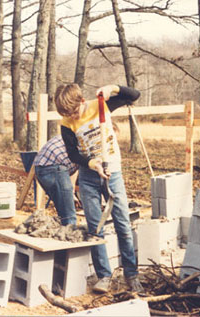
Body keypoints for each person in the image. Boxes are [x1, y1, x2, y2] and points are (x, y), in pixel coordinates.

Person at [55, 83, 144, 294]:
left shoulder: (101, 105)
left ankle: (131, 274)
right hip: (88, 176)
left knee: (123, 224)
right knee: (95, 229)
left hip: (113, 173)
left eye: (74, 112)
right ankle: (104, 275)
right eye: (68, 114)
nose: (73, 117)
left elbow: (135, 95)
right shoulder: (66, 124)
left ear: (82, 102)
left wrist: (112, 88)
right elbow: (73, 154)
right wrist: (92, 163)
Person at [33, 135, 78, 226]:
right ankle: (69, 232)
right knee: (69, 216)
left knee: (63, 209)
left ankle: (65, 228)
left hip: (41, 166)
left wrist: (71, 192)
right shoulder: (91, 142)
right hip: (53, 166)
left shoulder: (77, 131)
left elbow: (77, 167)